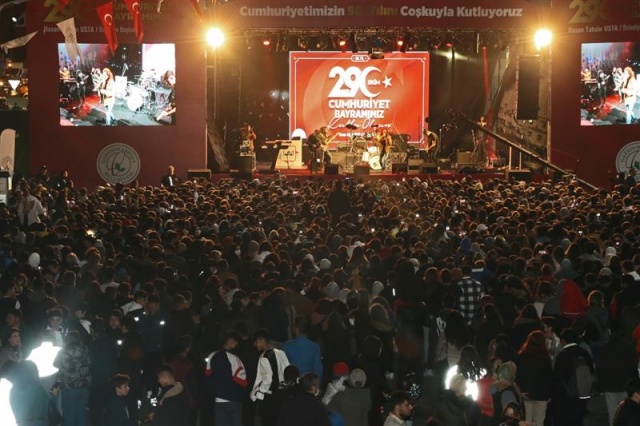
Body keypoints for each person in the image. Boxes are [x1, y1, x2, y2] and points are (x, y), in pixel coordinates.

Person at [205, 331, 248, 426]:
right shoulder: (234, 359)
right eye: (235, 342)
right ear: (230, 341)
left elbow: (208, 377)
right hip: (234, 401)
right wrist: (240, 394)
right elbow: (242, 381)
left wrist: (214, 391)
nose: (236, 344)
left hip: (218, 400)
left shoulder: (212, 356)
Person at [250, 328, 290, 426]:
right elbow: (288, 370)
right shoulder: (281, 353)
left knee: (267, 421)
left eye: (256, 342)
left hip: (269, 397)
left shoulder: (264, 357)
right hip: (282, 394)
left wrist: (259, 392)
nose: (255, 345)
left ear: (262, 340)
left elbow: (267, 379)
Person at [53, 330, 91, 426]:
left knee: (69, 414)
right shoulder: (85, 349)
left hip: (69, 386)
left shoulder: (64, 351)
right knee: (82, 413)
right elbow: (89, 363)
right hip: (84, 385)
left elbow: (56, 364)